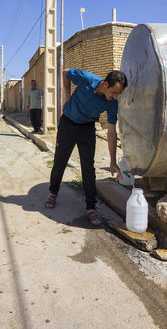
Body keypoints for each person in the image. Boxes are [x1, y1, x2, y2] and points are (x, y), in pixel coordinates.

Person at [45, 69, 128, 225]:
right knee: (60, 161)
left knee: (88, 168)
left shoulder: (112, 104)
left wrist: (112, 161)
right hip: (68, 123)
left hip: (87, 128)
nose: (115, 97)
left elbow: (111, 133)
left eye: (119, 94)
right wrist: (67, 95)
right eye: (114, 92)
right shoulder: (86, 79)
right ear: (105, 84)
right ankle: (53, 192)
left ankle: (91, 207)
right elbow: (65, 72)